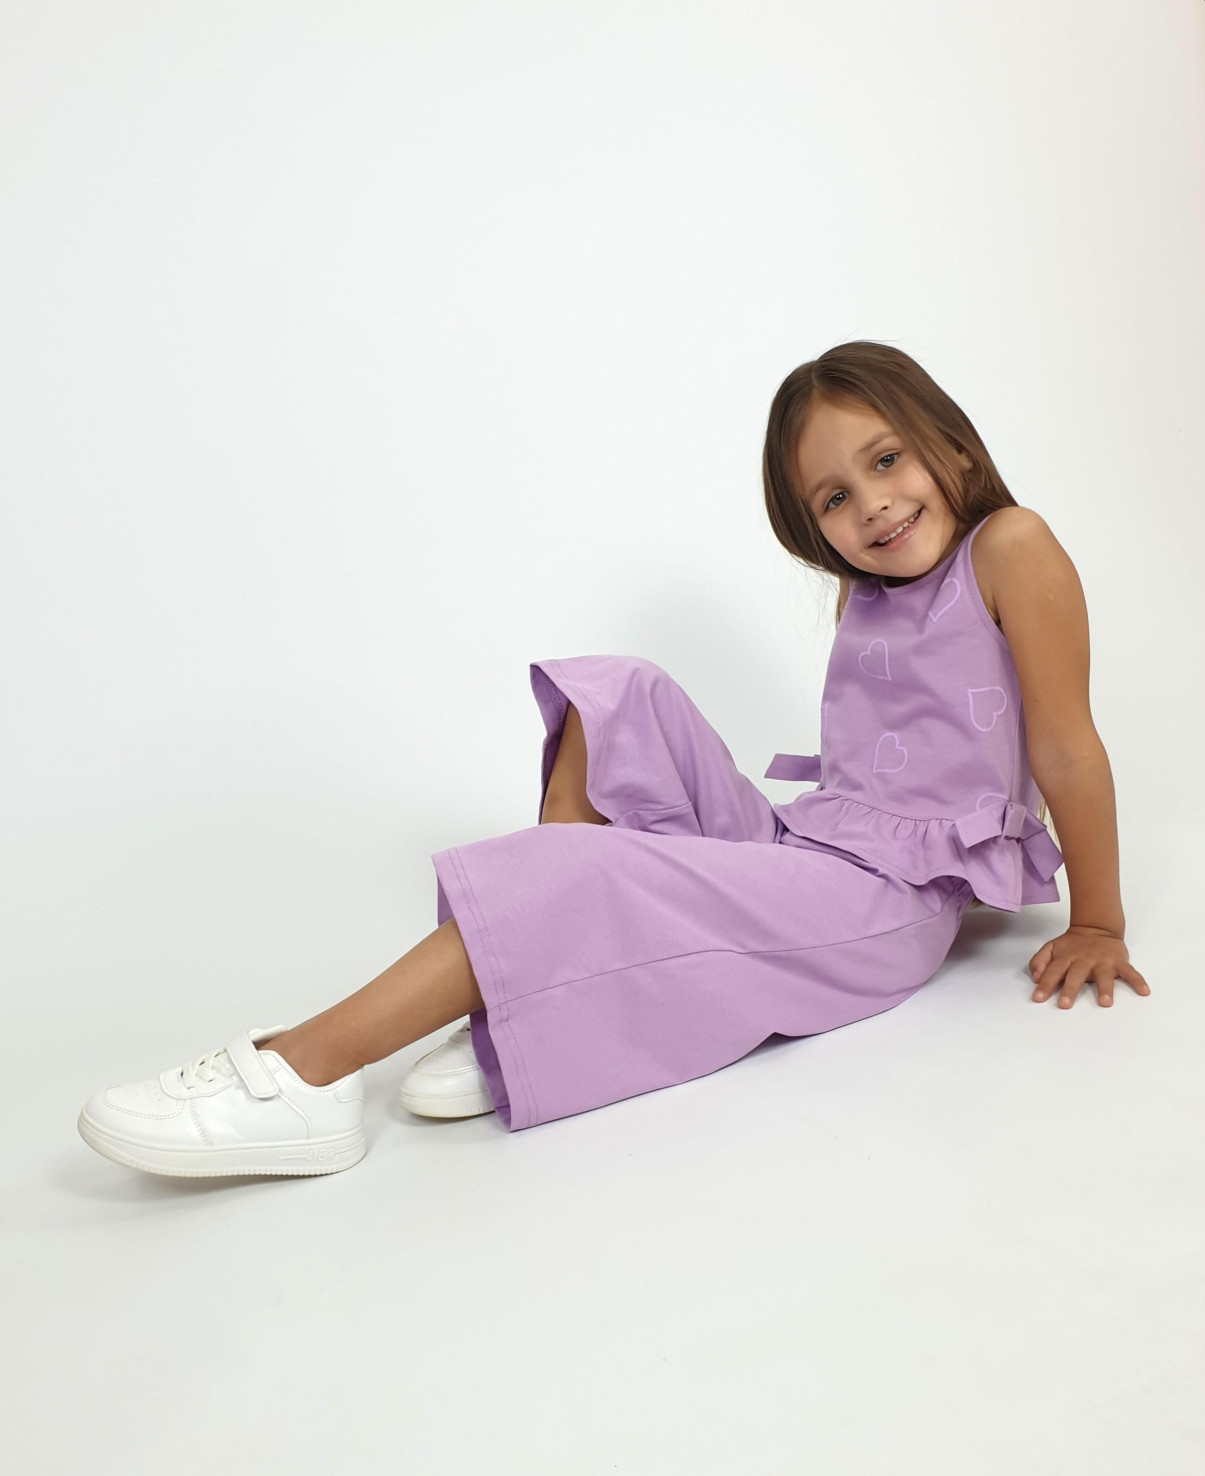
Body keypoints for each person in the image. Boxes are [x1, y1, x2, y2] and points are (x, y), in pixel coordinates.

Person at [76, 339, 1152, 1179]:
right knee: (616, 690)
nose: (870, 502)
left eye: (885, 460)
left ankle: (306, 1075)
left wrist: (1095, 921)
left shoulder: (1009, 546)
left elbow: (1064, 745)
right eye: (832, 496)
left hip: (889, 901)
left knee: (600, 868)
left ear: (949, 448)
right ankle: (534, 977)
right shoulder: (862, 589)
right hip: (811, 839)